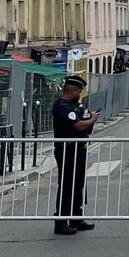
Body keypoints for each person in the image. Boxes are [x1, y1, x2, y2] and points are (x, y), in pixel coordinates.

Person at [52, 75, 100, 235]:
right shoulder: (63, 108)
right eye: (79, 91)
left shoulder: (74, 107)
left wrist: (88, 118)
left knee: (78, 185)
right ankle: (61, 221)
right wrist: (92, 120)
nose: (80, 94)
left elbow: (83, 124)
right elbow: (79, 126)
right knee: (67, 185)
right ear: (72, 91)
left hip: (78, 149)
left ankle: (76, 218)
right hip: (67, 150)